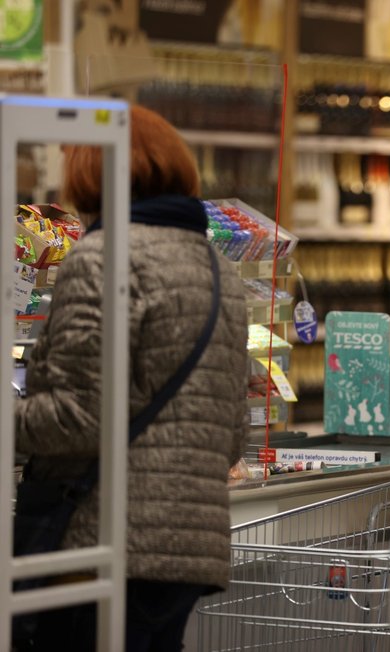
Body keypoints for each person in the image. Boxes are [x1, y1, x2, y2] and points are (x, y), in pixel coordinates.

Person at [14, 105, 249, 650]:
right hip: (185, 553)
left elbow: (79, 417)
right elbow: (231, 433)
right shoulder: (218, 271)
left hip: (104, 542)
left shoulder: (101, 258)